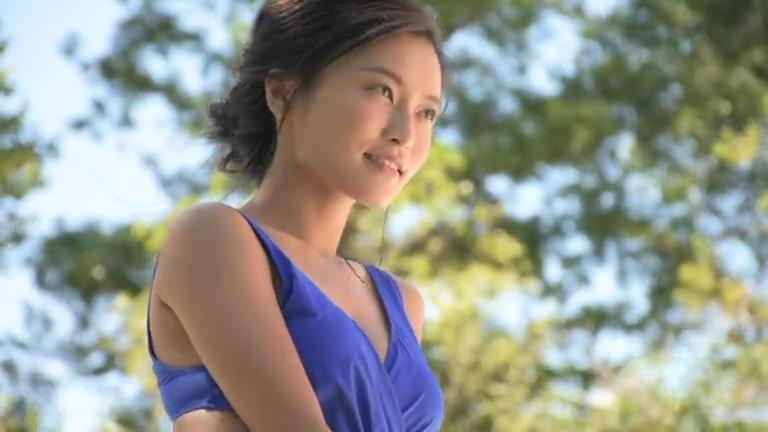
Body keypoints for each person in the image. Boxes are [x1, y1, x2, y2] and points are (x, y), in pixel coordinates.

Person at [146, 0, 447, 430]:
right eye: (382, 91)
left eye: (426, 113)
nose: (406, 134)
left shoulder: (401, 304)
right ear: (283, 91)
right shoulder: (211, 238)